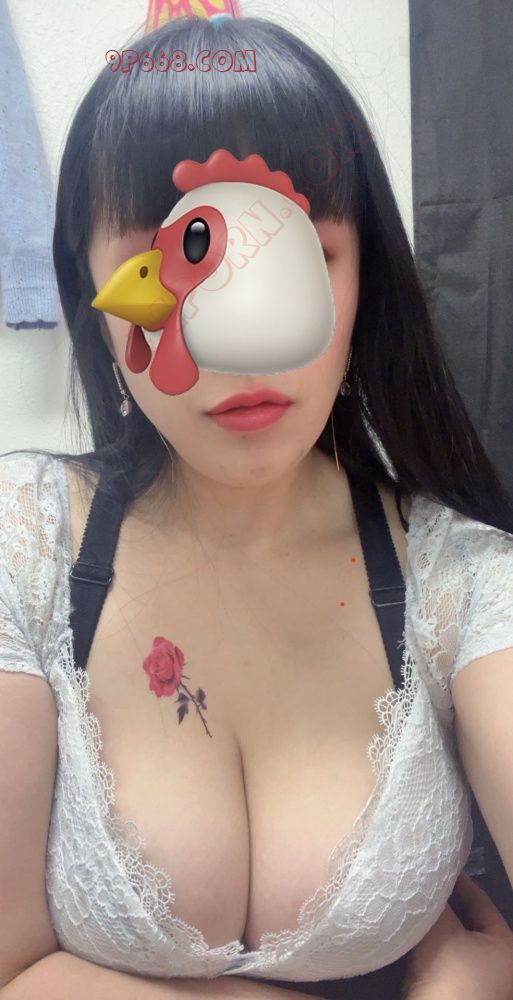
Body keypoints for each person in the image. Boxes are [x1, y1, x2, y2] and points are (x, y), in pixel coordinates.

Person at [1, 12, 513, 1000]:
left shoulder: (461, 580)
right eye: (169, 264)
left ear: (362, 281)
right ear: (94, 298)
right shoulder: (25, 544)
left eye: (296, 259)